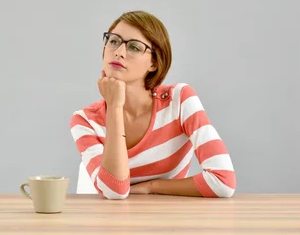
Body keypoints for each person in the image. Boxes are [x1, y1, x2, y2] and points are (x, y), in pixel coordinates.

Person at [70, 10, 236, 199]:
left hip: (169, 221)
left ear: (154, 63)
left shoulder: (179, 100)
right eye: (114, 41)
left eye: (134, 47)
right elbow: (114, 192)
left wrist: (151, 186)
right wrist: (114, 107)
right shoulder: (84, 120)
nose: (119, 52)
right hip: (110, 222)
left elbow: (223, 182)